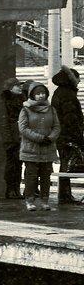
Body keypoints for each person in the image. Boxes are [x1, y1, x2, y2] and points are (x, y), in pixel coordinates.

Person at [19, 83, 60, 211]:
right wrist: (39, 138)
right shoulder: (25, 110)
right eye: (38, 93)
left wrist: (50, 137)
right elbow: (23, 128)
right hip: (31, 149)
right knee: (31, 176)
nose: (41, 96)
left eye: (43, 93)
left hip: (47, 149)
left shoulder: (51, 109)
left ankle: (44, 200)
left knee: (46, 176)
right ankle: (30, 200)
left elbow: (56, 126)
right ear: (32, 95)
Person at [51, 67, 83, 204]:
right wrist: (78, 134)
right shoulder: (67, 94)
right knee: (67, 165)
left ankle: (64, 194)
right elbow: (70, 118)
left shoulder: (60, 92)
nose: (79, 81)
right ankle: (64, 195)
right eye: (78, 78)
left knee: (66, 163)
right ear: (71, 79)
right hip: (68, 135)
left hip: (61, 135)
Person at [1, 77, 26, 199]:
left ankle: (16, 189)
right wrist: (8, 139)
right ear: (10, 88)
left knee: (18, 164)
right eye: (17, 86)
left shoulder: (23, 100)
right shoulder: (5, 101)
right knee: (12, 164)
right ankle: (10, 190)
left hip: (21, 136)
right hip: (12, 138)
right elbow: (4, 122)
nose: (20, 87)